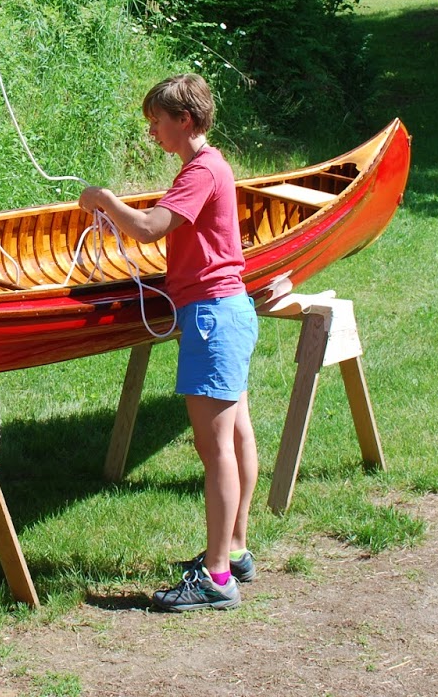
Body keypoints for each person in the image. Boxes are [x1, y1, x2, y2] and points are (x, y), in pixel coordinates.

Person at [79, 73, 259, 611]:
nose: (152, 129)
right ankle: (234, 549)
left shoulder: (201, 171)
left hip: (211, 318)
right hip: (227, 312)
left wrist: (106, 201)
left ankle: (218, 577)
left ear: (186, 120)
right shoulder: (210, 166)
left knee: (215, 450)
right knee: (237, 438)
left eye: (157, 120)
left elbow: (152, 228)